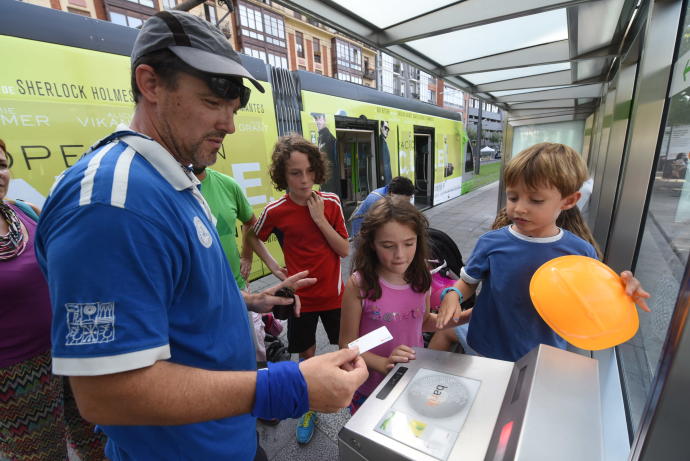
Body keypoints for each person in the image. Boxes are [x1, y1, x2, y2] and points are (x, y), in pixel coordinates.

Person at [34, 11, 367, 460]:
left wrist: (247, 301)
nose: (229, 125)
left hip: (221, 437)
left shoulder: (169, 179)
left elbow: (169, 298)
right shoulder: (112, 204)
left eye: (233, 108)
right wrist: (290, 385)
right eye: (213, 102)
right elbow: (107, 393)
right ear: (150, 84)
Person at [433, 143, 650, 361]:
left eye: (536, 200)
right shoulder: (491, 242)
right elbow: (469, 282)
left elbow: (590, 299)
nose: (519, 208)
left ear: (569, 201)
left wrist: (620, 292)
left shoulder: (580, 252)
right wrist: (453, 294)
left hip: (543, 353)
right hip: (486, 343)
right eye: (513, 197)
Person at [0, 139, 107, 460]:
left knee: (102, 442)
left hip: (71, 351)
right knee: (45, 456)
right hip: (15, 376)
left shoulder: (26, 211)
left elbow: (74, 269)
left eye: (2, 164)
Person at [253, 134, 350, 444]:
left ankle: (355, 402)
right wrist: (273, 266)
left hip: (335, 295)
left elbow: (345, 250)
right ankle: (309, 406)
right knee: (305, 356)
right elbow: (253, 235)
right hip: (300, 301)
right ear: (283, 175)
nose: (305, 179)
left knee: (346, 349)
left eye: (309, 171)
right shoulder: (276, 210)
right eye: (295, 173)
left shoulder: (330, 203)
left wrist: (319, 219)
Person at [339, 198, 464, 413]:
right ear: (371, 244)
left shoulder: (422, 277)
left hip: (411, 377)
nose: (400, 255)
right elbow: (347, 345)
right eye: (388, 246)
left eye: (409, 243)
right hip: (369, 386)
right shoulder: (359, 285)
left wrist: (470, 316)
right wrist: (383, 363)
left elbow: (423, 322)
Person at [194, 164, 285, 364]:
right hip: (197, 298)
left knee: (255, 351)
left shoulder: (227, 184)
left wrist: (248, 256)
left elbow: (250, 223)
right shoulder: (166, 188)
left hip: (237, 287)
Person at [349, 175, 415, 237]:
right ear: (393, 194)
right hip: (361, 231)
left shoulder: (390, 191)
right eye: (402, 202)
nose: (404, 205)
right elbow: (380, 227)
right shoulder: (377, 200)